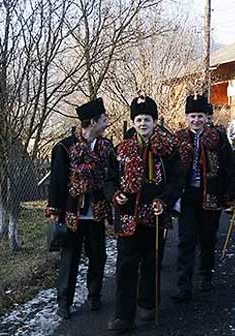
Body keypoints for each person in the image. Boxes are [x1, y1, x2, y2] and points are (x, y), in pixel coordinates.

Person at [105, 96, 184, 333]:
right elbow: (109, 179)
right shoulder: (120, 149)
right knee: (126, 265)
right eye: (138, 119)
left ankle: (148, 303)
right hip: (127, 214)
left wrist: (165, 200)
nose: (142, 123)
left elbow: (177, 180)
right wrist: (114, 194)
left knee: (152, 261)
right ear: (133, 121)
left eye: (147, 119)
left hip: (155, 213)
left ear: (155, 121)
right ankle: (123, 316)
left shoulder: (168, 149)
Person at [46, 98, 114, 319]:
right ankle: (64, 302)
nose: (107, 124)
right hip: (73, 213)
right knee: (70, 258)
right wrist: (55, 212)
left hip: (97, 212)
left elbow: (112, 175)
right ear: (93, 122)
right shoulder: (65, 147)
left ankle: (94, 296)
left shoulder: (106, 146)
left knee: (98, 255)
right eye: (104, 120)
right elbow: (57, 182)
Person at [173, 94, 235, 302]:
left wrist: (234, 194)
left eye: (200, 116)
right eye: (193, 116)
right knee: (186, 240)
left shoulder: (218, 137)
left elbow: (230, 165)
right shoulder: (179, 138)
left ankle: (205, 275)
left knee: (208, 239)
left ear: (206, 117)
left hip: (210, 194)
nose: (196, 120)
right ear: (186, 117)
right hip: (187, 196)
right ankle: (183, 284)